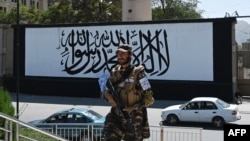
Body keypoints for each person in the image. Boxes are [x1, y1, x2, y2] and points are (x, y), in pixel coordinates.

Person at [101, 44, 154, 141]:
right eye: (118, 53)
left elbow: (149, 98)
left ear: (130, 54)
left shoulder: (139, 74)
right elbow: (104, 89)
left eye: (123, 53)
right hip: (116, 115)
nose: (120, 56)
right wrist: (107, 95)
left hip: (133, 118)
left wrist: (133, 107)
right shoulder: (114, 72)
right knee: (107, 137)